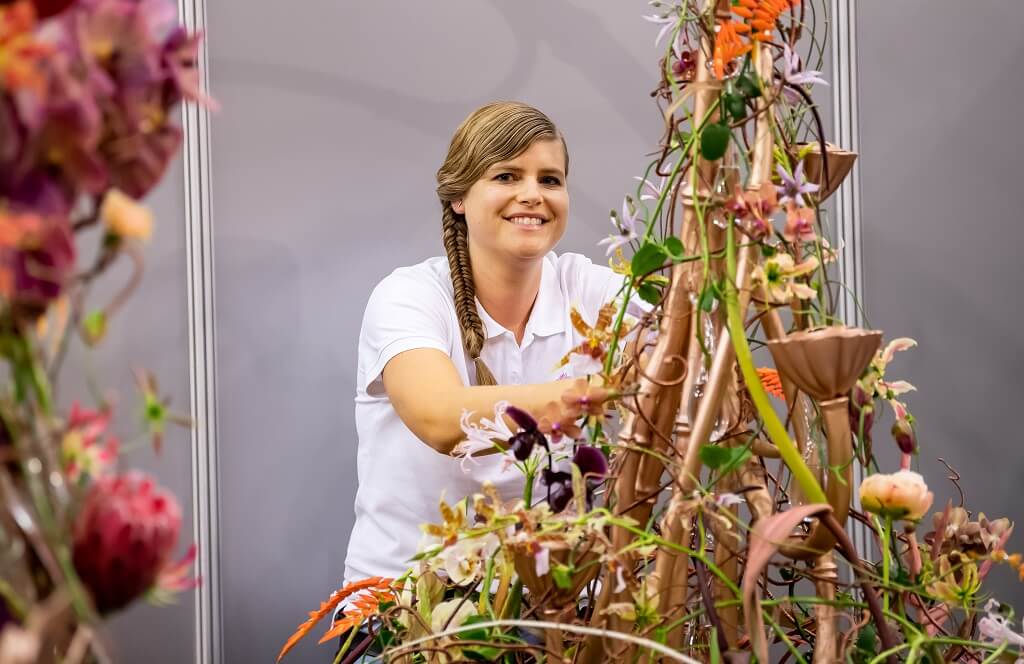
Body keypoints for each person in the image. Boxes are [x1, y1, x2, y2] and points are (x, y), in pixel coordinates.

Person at [343, 100, 624, 590]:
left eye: (550, 180)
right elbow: (440, 418)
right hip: (411, 603)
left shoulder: (590, 289)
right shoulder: (408, 296)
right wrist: (577, 396)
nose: (533, 195)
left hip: (558, 601)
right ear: (459, 198)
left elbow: (691, 348)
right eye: (507, 176)